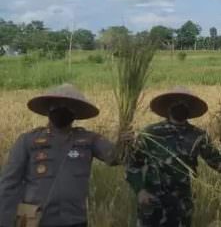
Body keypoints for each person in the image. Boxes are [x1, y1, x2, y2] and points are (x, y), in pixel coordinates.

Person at [0, 83, 129, 227]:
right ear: (49, 109)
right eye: (57, 105)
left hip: (74, 220)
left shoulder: (89, 139)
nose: (62, 109)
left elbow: (116, 158)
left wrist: (125, 143)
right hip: (36, 221)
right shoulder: (28, 140)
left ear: (76, 113)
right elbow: (9, 184)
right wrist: (5, 221)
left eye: (69, 106)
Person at [126, 86, 221, 227]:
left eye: (184, 103)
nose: (180, 105)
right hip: (152, 202)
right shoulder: (150, 133)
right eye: (176, 102)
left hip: (181, 204)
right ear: (168, 106)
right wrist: (140, 191)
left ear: (189, 108)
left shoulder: (198, 135)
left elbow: (214, 159)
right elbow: (133, 164)